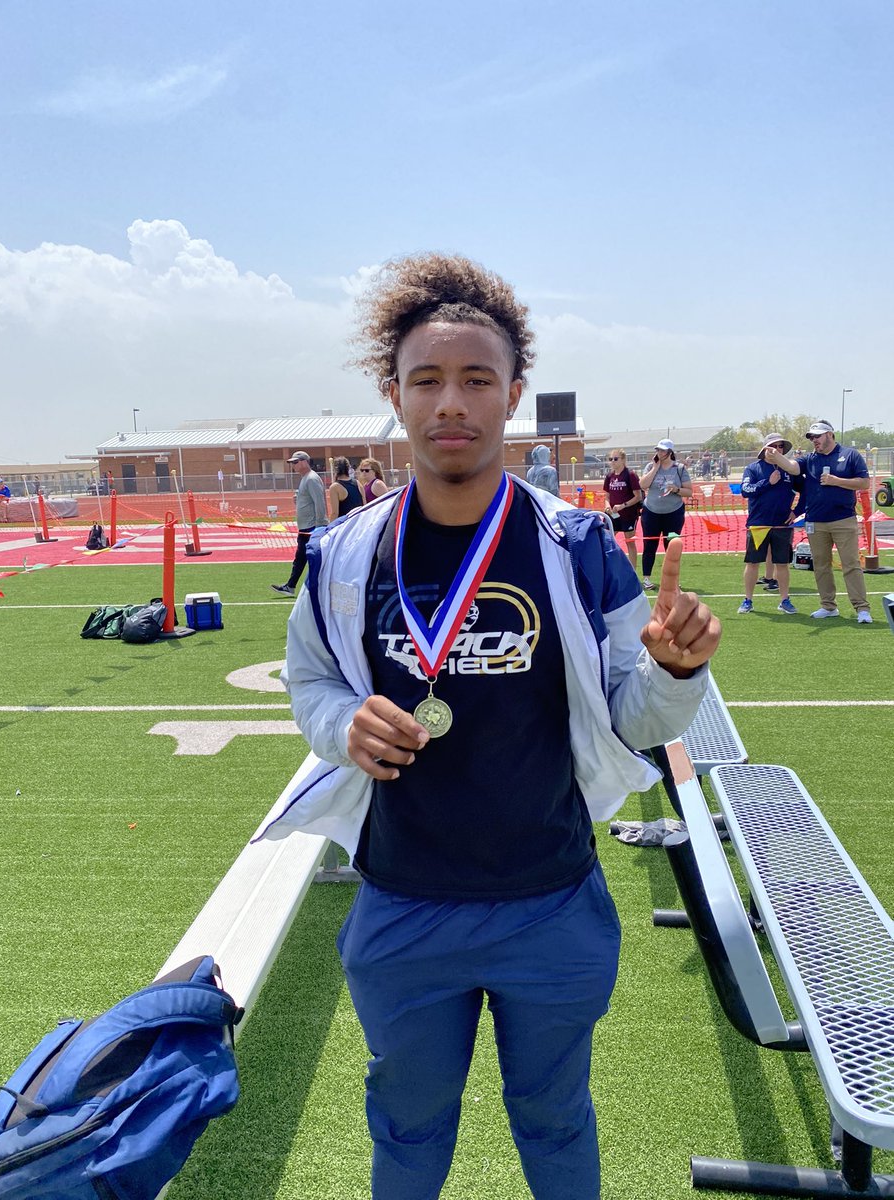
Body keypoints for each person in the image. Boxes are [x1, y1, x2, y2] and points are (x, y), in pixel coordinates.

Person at [259, 253, 721, 1200]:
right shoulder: (345, 551)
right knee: (408, 1128)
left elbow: (636, 715)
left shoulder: (582, 547)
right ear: (394, 393)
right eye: (426, 380)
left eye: (477, 379)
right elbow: (309, 681)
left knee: (555, 1121)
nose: (451, 403)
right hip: (401, 907)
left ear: (514, 393)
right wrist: (343, 721)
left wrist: (677, 671)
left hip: (550, 905)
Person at [765, 419, 872, 623]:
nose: (814, 440)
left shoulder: (850, 455)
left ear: (830, 435)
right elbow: (794, 468)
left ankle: (862, 609)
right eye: (812, 437)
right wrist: (777, 457)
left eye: (818, 436)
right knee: (821, 565)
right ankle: (828, 606)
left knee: (851, 565)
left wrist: (836, 481)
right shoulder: (811, 458)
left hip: (843, 519)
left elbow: (864, 482)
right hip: (816, 521)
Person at [737, 435, 798, 615]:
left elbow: (806, 491)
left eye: (781, 446)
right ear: (765, 448)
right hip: (758, 526)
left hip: (782, 526)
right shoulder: (753, 469)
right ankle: (748, 600)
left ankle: (785, 600)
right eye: (774, 446)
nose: (778, 449)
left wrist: (796, 511)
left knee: (782, 564)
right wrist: (768, 483)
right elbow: (745, 491)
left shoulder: (790, 471)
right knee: (752, 563)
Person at [270, 451, 328, 596]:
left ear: (304, 462)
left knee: (310, 558)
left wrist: (320, 526)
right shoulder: (306, 479)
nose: (293, 466)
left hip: (311, 528)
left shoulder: (311, 479)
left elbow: (319, 503)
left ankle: (311, 587)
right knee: (301, 558)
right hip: (306, 527)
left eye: (295, 462)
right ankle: (291, 586)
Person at [638, 439, 693, 590]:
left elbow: (689, 491)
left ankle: (673, 580)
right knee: (649, 545)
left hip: (673, 513)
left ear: (670, 452)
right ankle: (647, 579)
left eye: (662, 450)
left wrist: (676, 489)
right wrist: (655, 468)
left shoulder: (679, 469)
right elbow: (642, 485)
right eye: (658, 450)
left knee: (671, 546)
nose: (659, 453)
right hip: (651, 512)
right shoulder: (650, 466)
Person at [602, 449, 643, 570]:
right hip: (612, 515)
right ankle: (610, 569)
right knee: (607, 541)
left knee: (629, 542)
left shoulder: (630, 475)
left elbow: (638, 496)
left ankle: (633, 571)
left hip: (628, 514)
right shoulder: (609, 476)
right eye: (610, 459)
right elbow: (607, 496)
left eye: (615, 459)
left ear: (623, 460)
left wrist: (623, 505)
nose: (612, 462)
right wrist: (607, 505)